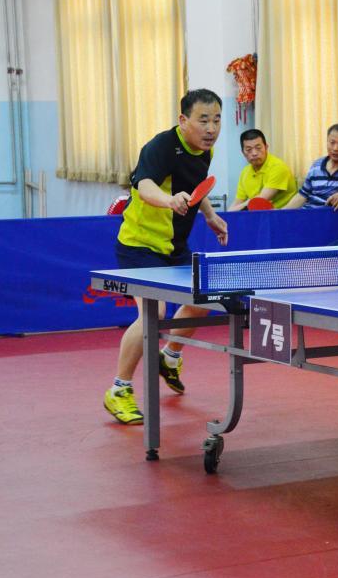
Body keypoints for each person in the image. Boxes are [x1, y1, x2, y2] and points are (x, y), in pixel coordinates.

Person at [104, 88, 229, 425]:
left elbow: (197, 185)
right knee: (153, 313)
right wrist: (168, 200)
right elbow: (144, 186)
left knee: (205, 296)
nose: (211, 129)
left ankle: (169, 358)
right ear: (183, 120)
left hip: (174, 246)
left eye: (217, 120)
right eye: (203, 120)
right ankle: (119, 390)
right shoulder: (160, 147)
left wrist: (210, 215)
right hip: (140, 245)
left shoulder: (204, 150)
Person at [283, 123, 338, 210]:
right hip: (309, 213)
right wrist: (280, 213)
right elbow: (303, 195)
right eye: (332, 142)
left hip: (335, 215)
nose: (335, 148)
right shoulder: (316, 166)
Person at [229, 129, 297, 210]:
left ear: (266, 147)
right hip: (258, 215)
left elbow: (259, 201)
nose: (254, 153)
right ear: (243, 152)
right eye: (248, 150)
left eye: (258, 148)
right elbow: (237, 202)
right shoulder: (245, 172)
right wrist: (227, 214)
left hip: (282, 215)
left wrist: (240, 207)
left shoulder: (278, 167)